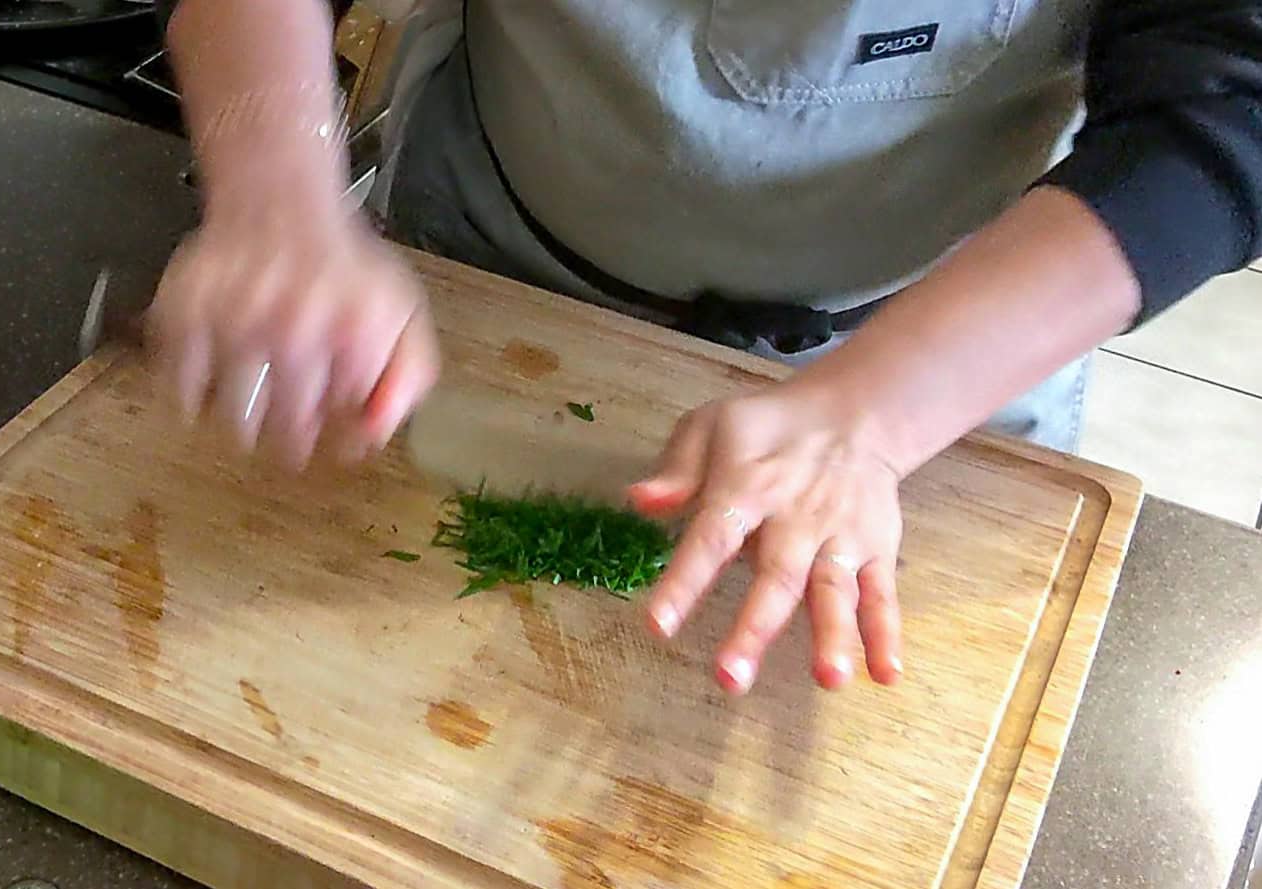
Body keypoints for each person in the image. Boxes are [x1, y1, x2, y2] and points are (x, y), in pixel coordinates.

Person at [150, 0, 1262, 695]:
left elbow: (1227, 108)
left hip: (942, 347)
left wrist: (873, 415)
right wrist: (277, 198)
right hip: (493, 267)